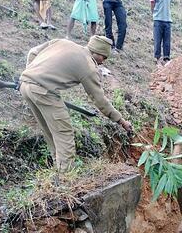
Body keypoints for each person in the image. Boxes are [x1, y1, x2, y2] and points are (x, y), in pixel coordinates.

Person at [19, 36, 132, 172]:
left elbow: (33, 52)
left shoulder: (62, 42)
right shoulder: (88, 66)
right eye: (104, 57)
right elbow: (99, 99)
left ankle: (58, 168)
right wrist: (121, 120)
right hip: (44, 92)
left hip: (25, 86)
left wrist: (30, 75)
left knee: (49, 130)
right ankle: (66, 176)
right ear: (98, 52)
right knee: (64, 133)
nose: (103, 62)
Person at [150, 0, 173, 66]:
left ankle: (166, 58)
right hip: (158, 20)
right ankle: (157, 58)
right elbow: (152, 4)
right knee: (157, 40)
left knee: (167, 41)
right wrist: (154, 13)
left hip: (167, 20)